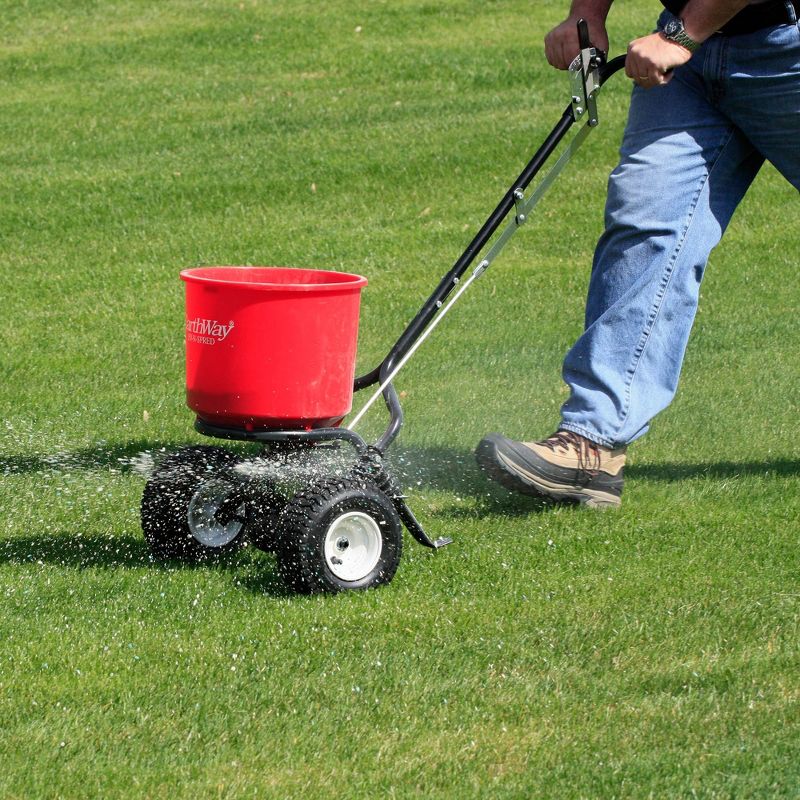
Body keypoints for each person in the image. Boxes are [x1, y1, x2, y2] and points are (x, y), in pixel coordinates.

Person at [476, 0, 800, 508]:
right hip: (690, 63)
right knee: (645, 223)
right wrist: (587, 15)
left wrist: (683, 35)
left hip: (783, 52)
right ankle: (592, 443)